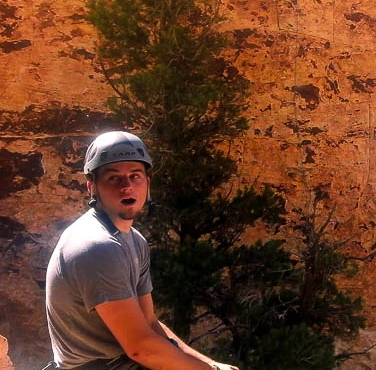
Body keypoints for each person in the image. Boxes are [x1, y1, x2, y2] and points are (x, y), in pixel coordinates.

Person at [45, 131, 238, 370]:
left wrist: (211, 365)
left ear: (147, 183)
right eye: (114, 178)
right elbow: (141, 347)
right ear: (92, 187)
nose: (127, 186)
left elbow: (148, 324)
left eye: (135, 176)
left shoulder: (133, 241)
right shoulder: (96, 246)